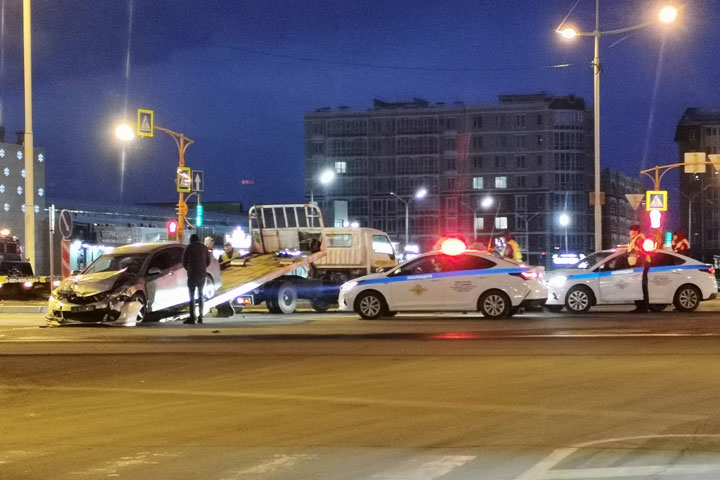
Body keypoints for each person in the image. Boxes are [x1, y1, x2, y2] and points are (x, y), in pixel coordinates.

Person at [183, 234, 210, 324]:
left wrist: (189, 269)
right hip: (202, 275)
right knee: (201, 295)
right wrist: (202, 268)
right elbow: (208, 261)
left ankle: (192, 317)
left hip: (192, 275)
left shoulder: (189, 248)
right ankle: (200, 316)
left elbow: (184, 262)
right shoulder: (204, 248)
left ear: (191, 240)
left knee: (191, 296)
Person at [627, 224, 650, 313]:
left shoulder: (639, 240)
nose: (629, 233)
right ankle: (640, 306)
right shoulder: (636, 240)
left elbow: (642, 254)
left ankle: (643, 307)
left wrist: (639, 266)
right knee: (638, 286)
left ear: (635, 232)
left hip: (641, 266)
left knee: (641, 286)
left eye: (631, 231)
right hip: (639, 266)